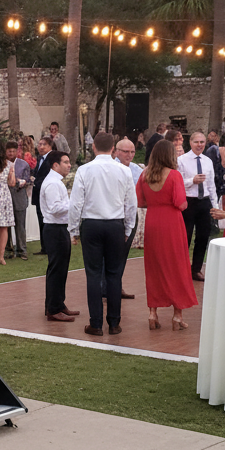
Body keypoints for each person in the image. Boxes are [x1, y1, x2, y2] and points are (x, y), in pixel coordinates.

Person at [68, 132, 138, 336]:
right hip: (115, 224)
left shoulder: (85, 170)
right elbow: (130, 203)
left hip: (92, 224)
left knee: (93, 274)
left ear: (94, 147)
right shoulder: (123, 171)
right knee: (114, 275)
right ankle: (114, 323)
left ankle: (96, 323)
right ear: (113, 148)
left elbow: (76, 203)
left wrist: (73, 229)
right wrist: (128, 227)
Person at [136, 140, 197, 330]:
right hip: (172, 223)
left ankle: (152, 313)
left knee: (154, 267)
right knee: (177, 266)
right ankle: (177, 315)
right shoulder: (174, 175)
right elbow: (180, 203)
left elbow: (140, 201)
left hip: (153, 222)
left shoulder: (144, 175)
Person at [38, 151, 77, 322]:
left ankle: (58, 304)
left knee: (61, 269)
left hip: (59, 228)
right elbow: (54, 208)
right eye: (66, 162)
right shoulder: (53, 183)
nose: (69, 165)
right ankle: (53, 309)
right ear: (55, 165)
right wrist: (74, 204)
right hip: (55, 229)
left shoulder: (55, 182)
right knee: (57, 269)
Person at [177, 131, 217, 280]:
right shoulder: (182, 160)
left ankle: (196, 269)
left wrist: (214, 205)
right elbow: (178, 182)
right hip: (189, 201)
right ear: (191, 143)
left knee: (203, 236)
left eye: (202, 142)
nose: (199, 145)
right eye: (196, 142)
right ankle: (181, 269)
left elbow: (211, 185)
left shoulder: (208, 161)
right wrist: (191, 181)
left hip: (204, 201)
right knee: (185, 236)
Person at [113, 138, 143, 299]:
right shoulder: (111, 168)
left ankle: (116, 285)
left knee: (123, 253)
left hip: (131, 214)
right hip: (114, 216)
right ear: (116, 151)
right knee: (111, 253)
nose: (129, 155)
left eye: (132, 152)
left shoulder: (136, 169)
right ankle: (107, 286)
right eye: (125, 151)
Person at [6, 141, 34, 260]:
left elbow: (28, 179)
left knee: (20, 225)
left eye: (13, 151)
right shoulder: (2, 164)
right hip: (6, 197)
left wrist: (23, 182)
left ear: (17, 151)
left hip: (19, 196)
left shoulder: (23, 164)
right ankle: (8, 250)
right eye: (9, 151)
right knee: (6, 225)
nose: (11, 153)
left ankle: (22, 250)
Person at [30, 137, 55, 255]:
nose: (40, 147)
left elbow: (48, 177)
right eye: (39, 144)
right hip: (38, 194)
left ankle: (49, 247)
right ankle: (44, 247)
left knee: (46, 221)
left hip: (45, 194)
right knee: (41, 220)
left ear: (50, 146)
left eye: (43, 144)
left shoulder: (52, 159)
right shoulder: (40, 158)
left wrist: (36, 182)